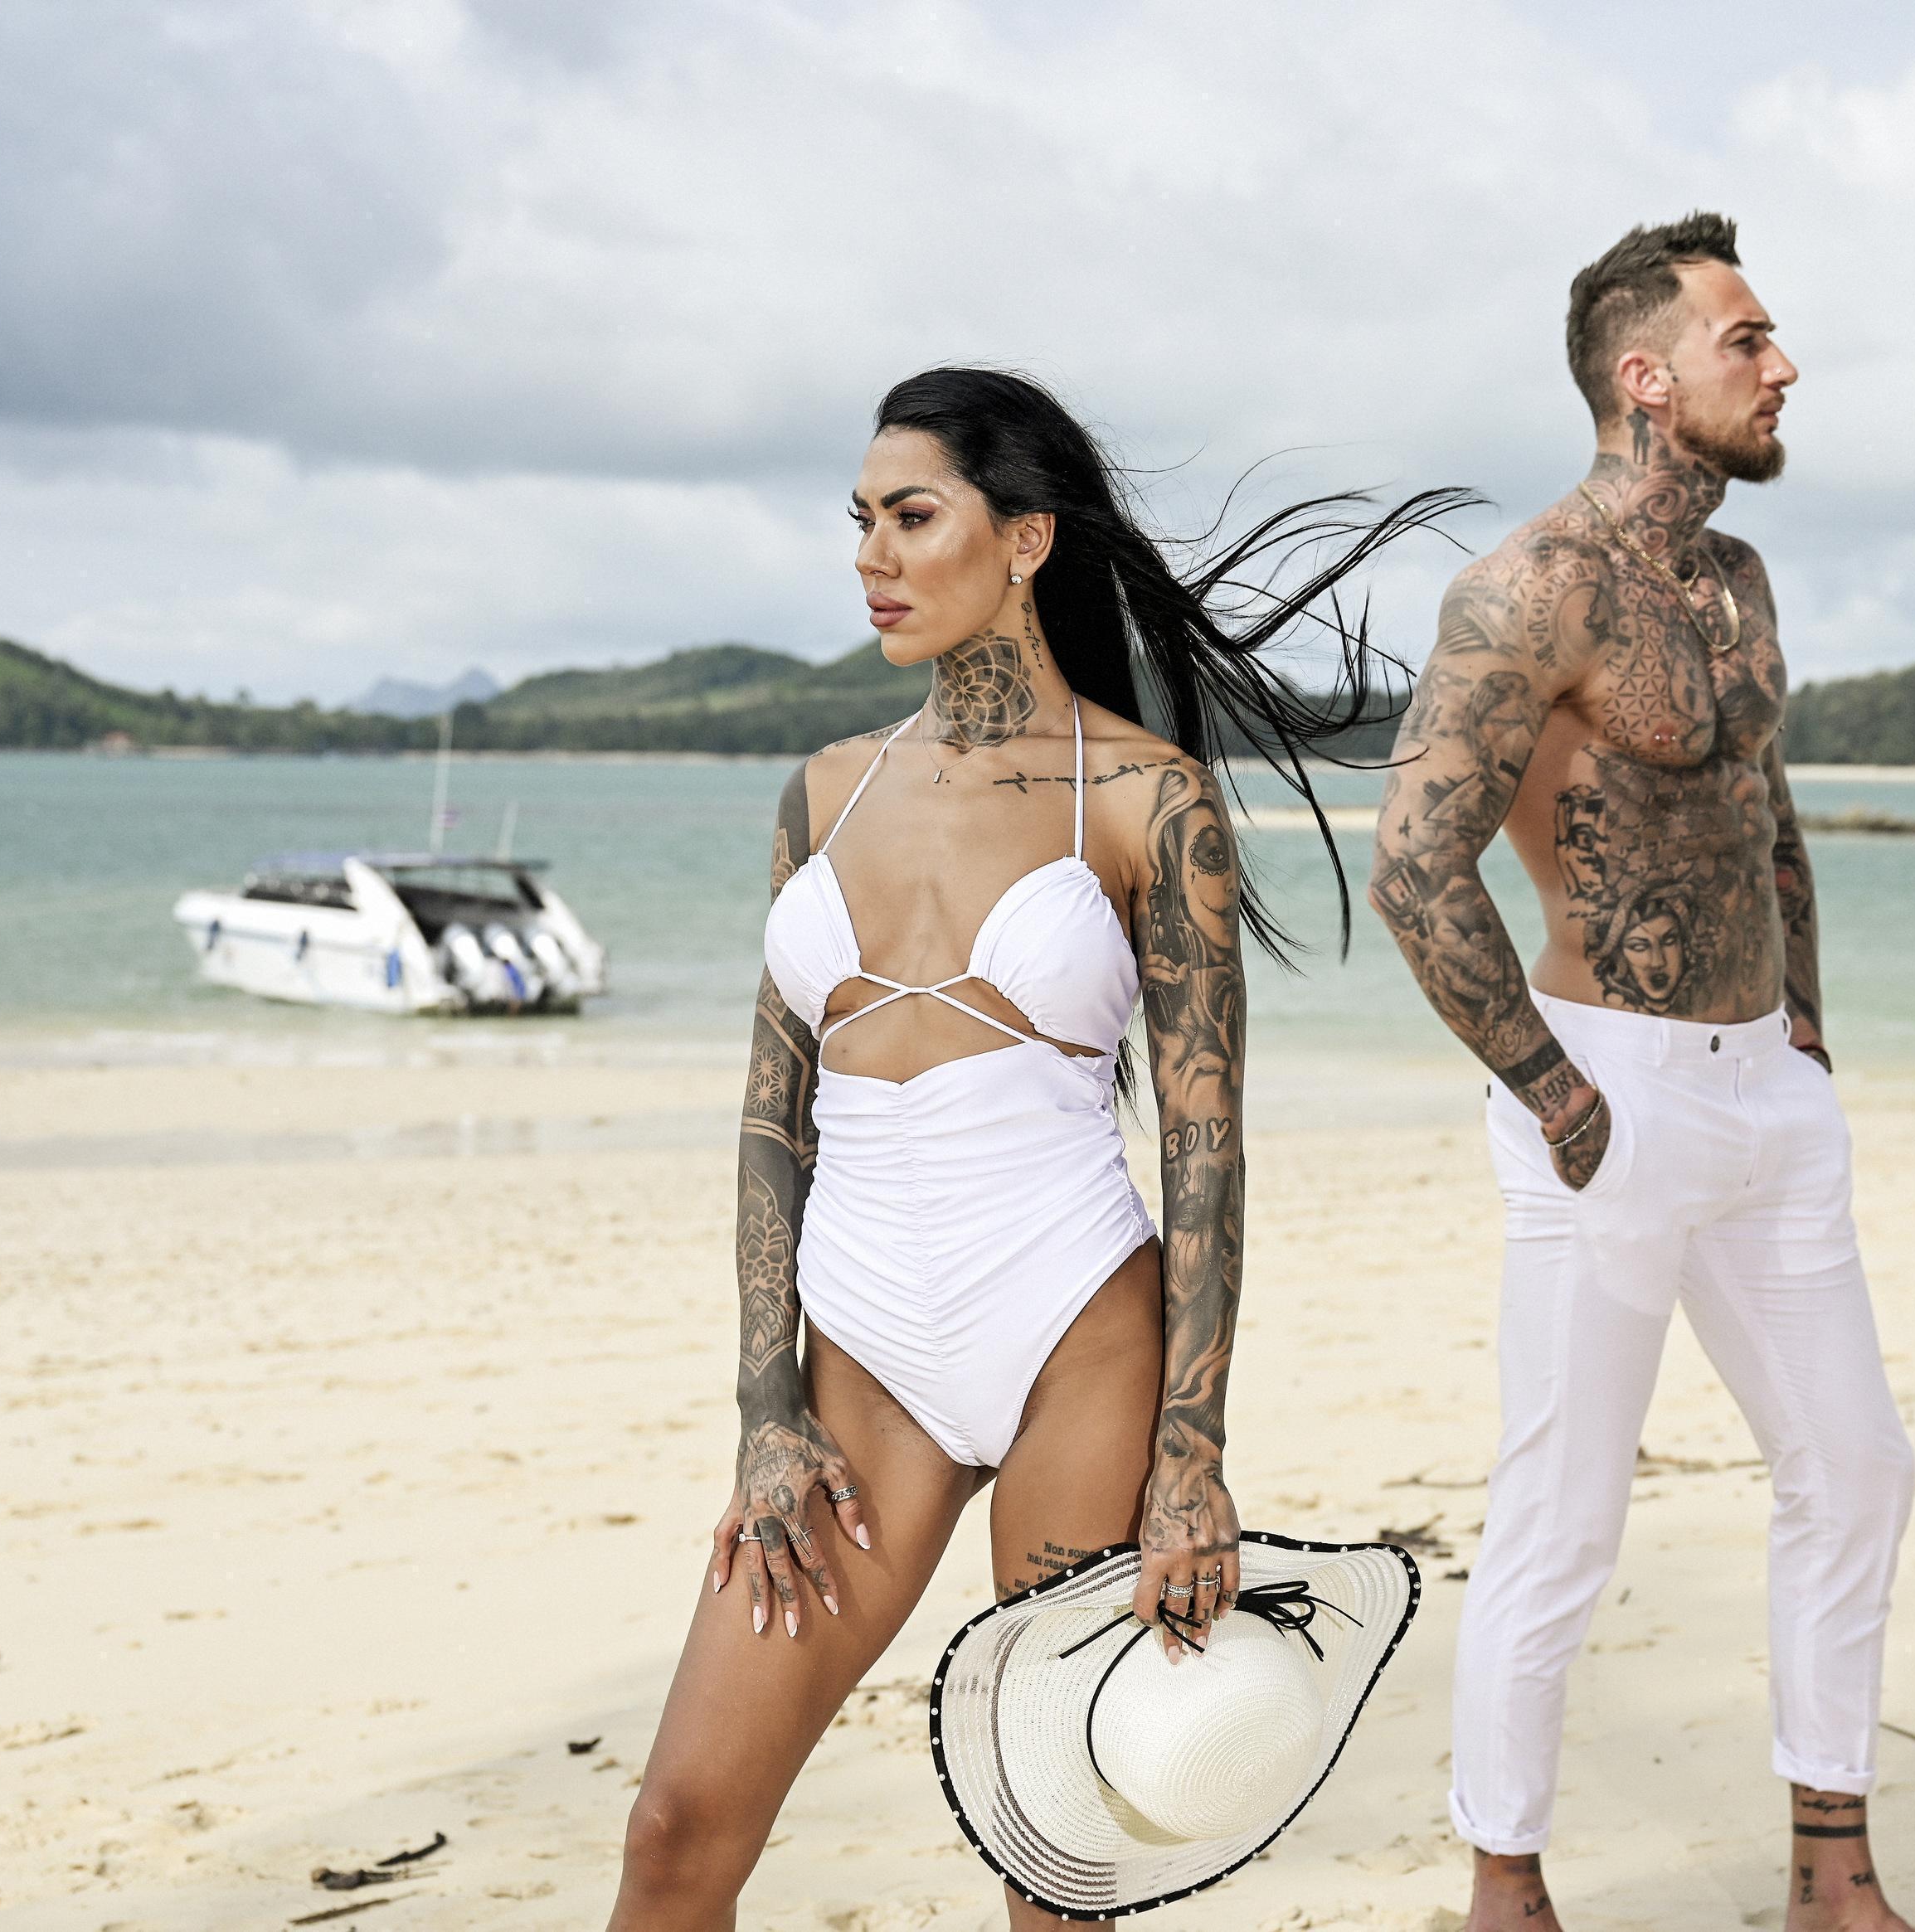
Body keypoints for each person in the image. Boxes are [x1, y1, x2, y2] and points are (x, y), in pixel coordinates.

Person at [604, 366, 1462, 1930]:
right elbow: (772, 1121)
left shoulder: (1147, 797)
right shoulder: (824, 793)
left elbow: (1204, 1146)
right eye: (861, 520)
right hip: (861, 1349)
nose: (871, 554)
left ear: (1023, 540)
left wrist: (1191, 1453)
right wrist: (764, 1407)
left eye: (911, 516)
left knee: (1055, 1865)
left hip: (1075, 1329)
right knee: (675, 1832)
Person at [1366, 214, 1915, 1932]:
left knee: (1856, 1468)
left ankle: (1831, 1870)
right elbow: (1414, 863)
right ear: (1645, 377)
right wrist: (1553, 1090)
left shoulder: (1738, 579)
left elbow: (1766, 809)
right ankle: (1504, 1886)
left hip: (1766, 1095)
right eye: (1746, 339)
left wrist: (1805, 1020)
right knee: (1564, 1512)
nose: (1782, 366)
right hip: (1605, 1091)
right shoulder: (1530, 587)